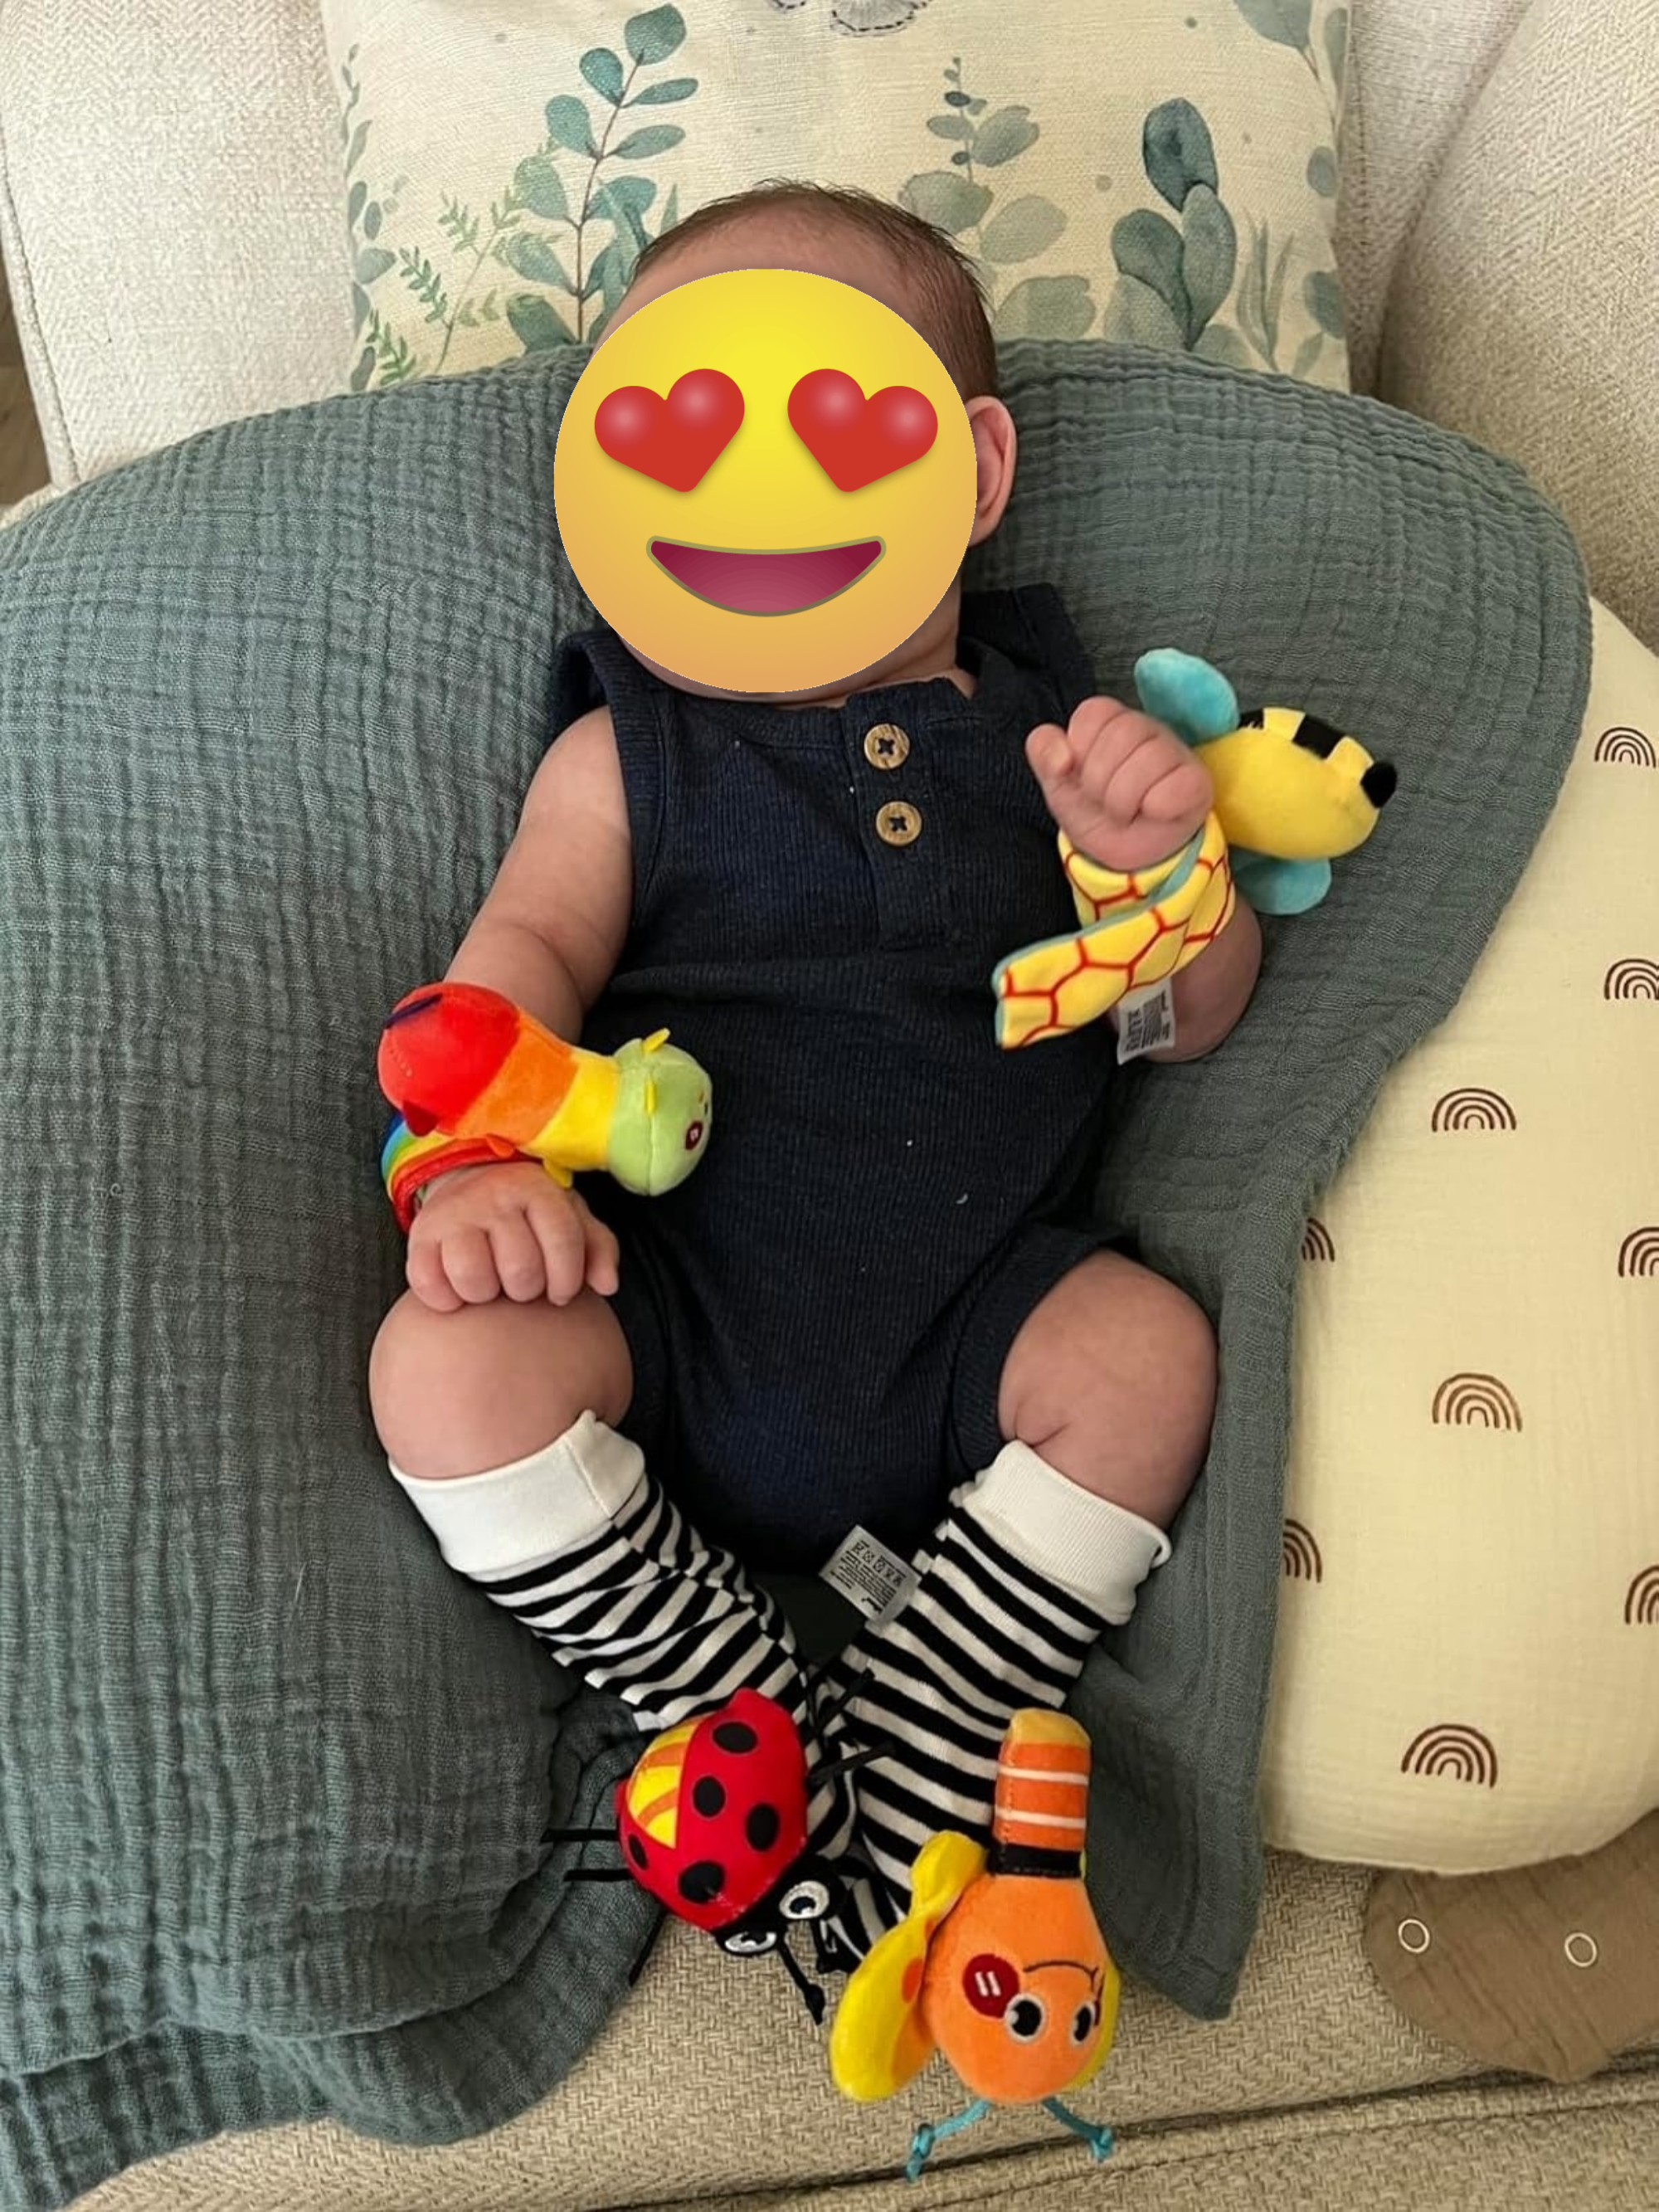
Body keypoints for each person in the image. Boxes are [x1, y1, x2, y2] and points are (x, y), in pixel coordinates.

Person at [368, 183, 1261, 1955]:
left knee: (1149, 1354)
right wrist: (480, 1164)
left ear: (973, 474)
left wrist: (1163, 869)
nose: (752, 491)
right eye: (683, 433)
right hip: (664, 1303)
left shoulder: (1060, 742)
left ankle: (933, 1708)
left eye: (827, 424)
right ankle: (717, 1697)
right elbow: (514, 971)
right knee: (445, 1370)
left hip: (980, 1320)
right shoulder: (628, 758)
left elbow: (1188, 1018)